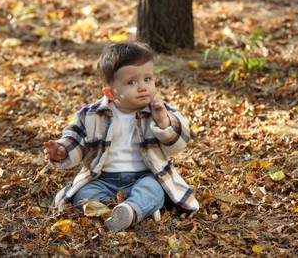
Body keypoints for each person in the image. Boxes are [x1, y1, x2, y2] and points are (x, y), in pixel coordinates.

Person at [43, 42, 199, 231]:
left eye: (148, 79)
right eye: (131, 82)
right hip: (103, 178)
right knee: (83, 195)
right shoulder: (91, 115)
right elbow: (75, 139)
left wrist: (164, 123)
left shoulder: (159, 111)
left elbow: (179, 143)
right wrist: (62, 150)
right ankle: (110, 212)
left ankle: (130, 210)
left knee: (154, 189)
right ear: (110, 92)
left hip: (145, 175)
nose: (142, 87)